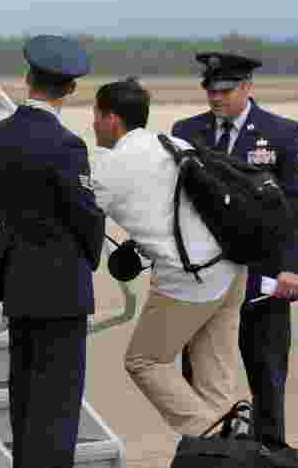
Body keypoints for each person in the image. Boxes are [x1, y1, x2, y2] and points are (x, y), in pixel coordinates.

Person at [0, 35, 105, 468]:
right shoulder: (66, 145)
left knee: (25, 392)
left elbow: (7, 205)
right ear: (69, 88)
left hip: (17, 276)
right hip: (60, 281)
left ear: (28, 80)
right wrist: (89, 256)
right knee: (59, 393)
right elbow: (86, 216)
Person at [173, 53, 298, 450]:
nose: (216, 98)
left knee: (267, 372)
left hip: (262, 279)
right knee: (200, 374)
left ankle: (271, 460)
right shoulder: (187, 131)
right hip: (207, 277)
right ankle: (202, 457)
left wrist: (294, 268)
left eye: (225, 90)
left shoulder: (282, 133)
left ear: (247, 88)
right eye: (210, 90)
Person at [89, 78, 246, 435]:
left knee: (144, 361)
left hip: (191, 280)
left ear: (111, 119)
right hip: (232, 268)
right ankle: (227, 467)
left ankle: (213, 433)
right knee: (213, 379)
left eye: (95, 115)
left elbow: (80, 216)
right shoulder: (172, 143)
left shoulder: (113, 165)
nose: (93, 124)